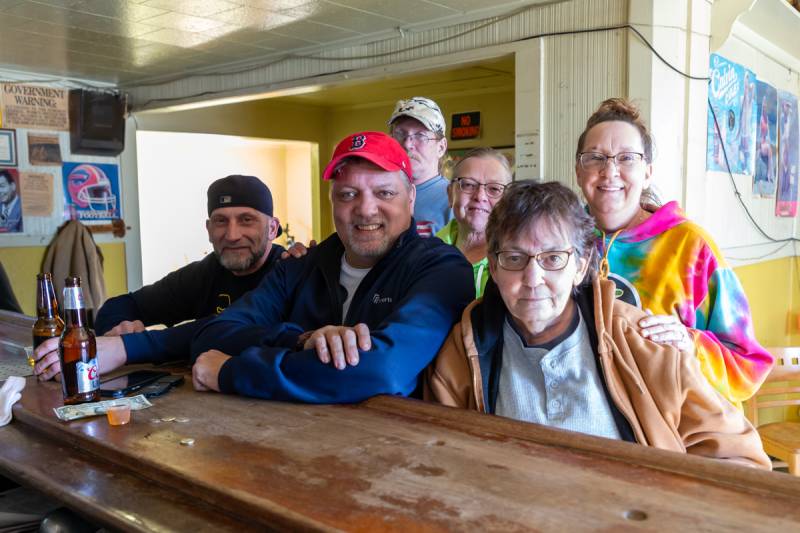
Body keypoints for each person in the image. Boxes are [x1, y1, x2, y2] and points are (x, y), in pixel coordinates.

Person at [425, 181, 770, 468]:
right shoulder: (465, 346)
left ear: (580, 265)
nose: (533, 279)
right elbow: (441, 456)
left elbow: (738, 459)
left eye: (553, 259)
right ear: (494, 267)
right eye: (514, 258)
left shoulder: (643, 343)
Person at [190, 131, 473, 402]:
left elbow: (382, 370)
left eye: (384, 193)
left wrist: (234, 372)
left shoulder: (442, 268)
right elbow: (213, 334)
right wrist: (301, 341)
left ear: (411, 198)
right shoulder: (300, 264)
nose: (365, 209)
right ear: (332, 201)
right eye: (348, 195)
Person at [574, 97, 772, 405]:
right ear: (579, 171)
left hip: (673, 436)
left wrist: (691, 345)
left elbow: (749, 366)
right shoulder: (564, 244)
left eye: (626, 158)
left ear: (647, 172)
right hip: (584, 426)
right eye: (595, 158)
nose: (609, 171)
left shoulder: (691, 248)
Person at [34, 175, 285, 380]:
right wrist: (120, 330)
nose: (232, 234)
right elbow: (121, 305)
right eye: (221, 221)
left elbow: (221, 331)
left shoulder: (289, 271)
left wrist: (127, 348)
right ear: (208, 230)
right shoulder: (206, 271)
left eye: (246, 220)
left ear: (272, 228)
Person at [436, 147, 512, 298]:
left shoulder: (517, 262)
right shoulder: (427, 253)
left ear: (507, 201)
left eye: (494, 189)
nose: (480, 196)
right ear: (451, 194)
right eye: (468, 185)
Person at [388, 96, 452, 237]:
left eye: (420, 136)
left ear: (441, 147)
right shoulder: (378, 193)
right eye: (399, 134)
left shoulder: (455, 200)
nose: (407, 144)